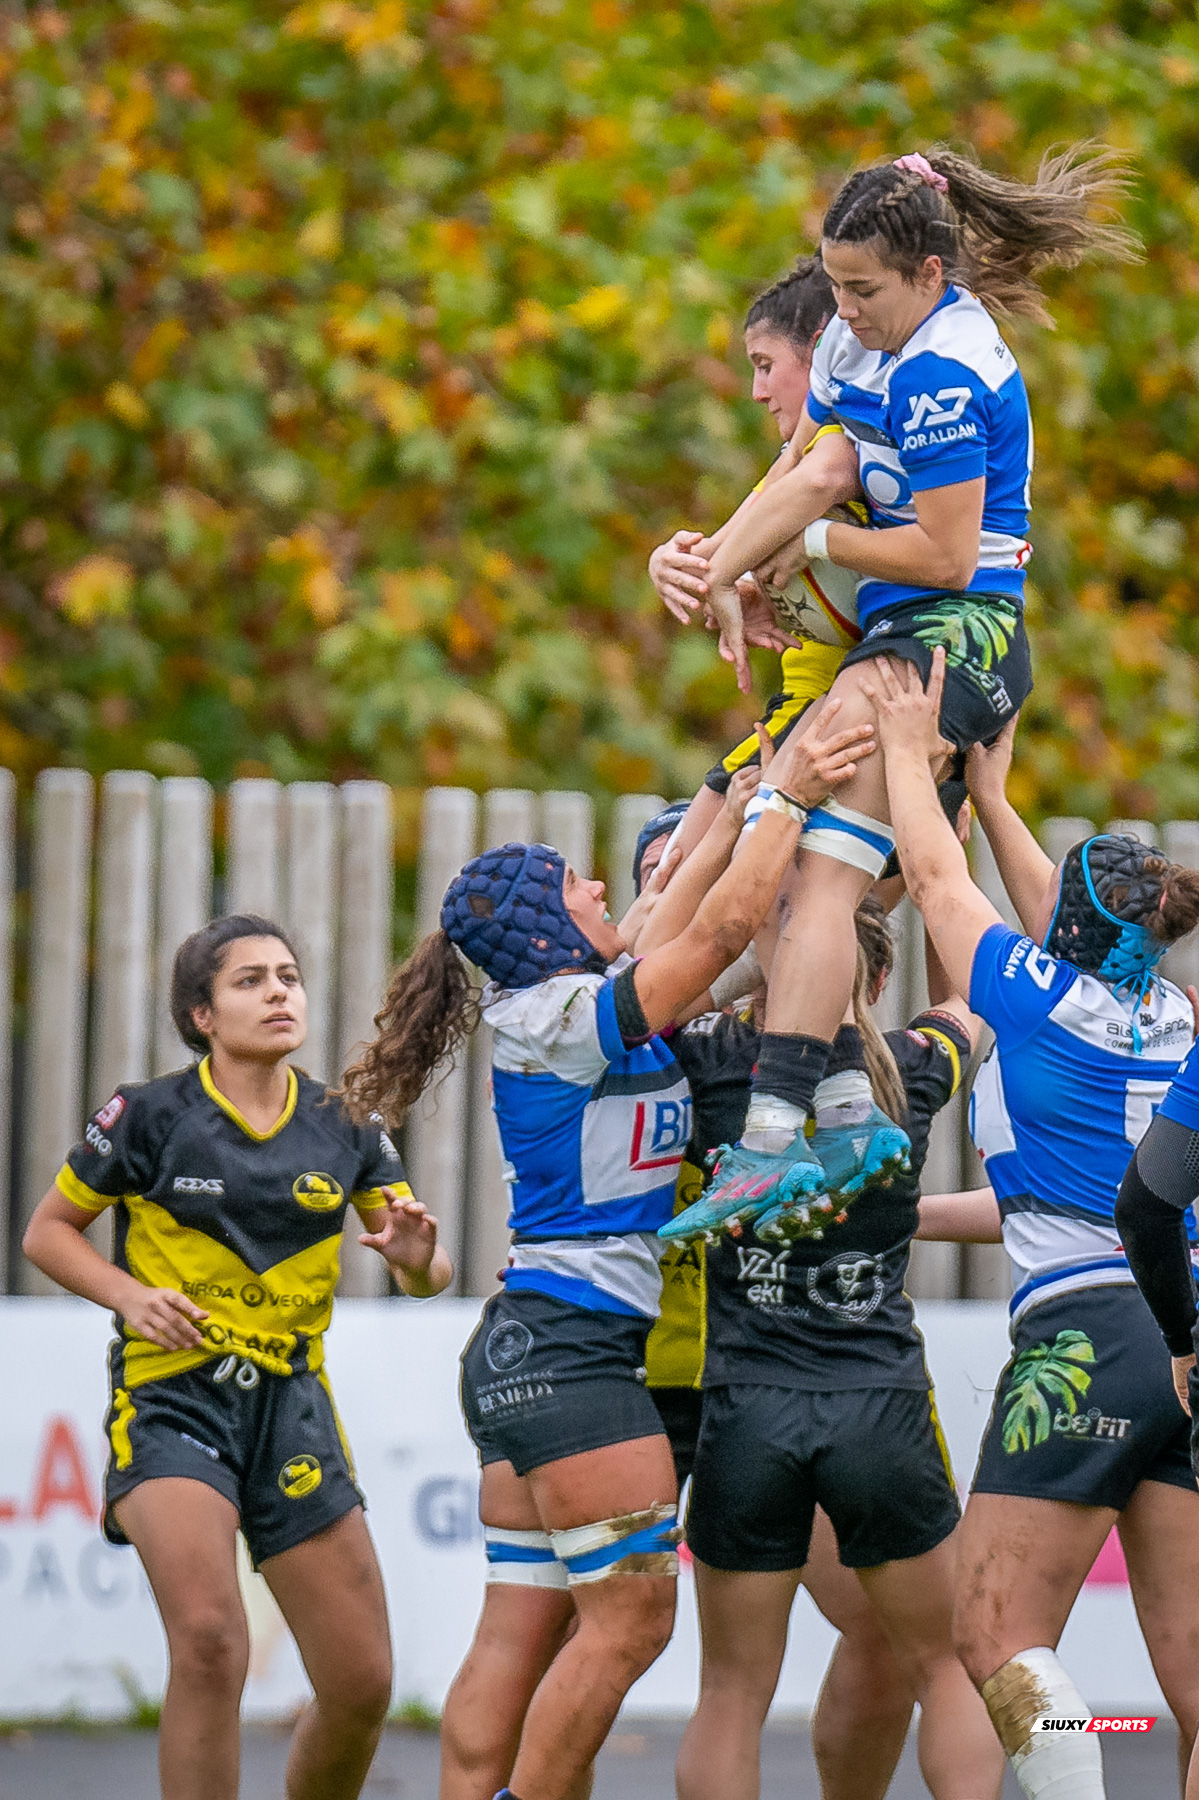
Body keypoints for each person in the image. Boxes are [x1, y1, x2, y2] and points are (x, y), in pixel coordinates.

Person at [337, 707, 875, 1800]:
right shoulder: (563, 1012)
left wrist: (746, 770)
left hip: (537, 1348)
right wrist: (790, 792)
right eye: (581, 885)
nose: (605, 894)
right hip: (567, 1352)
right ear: (545, 925)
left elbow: (688, 915)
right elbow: (716, 927)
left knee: (527, 1631)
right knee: (629, 1622)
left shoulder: (562, 1003)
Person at [692, 145, 1138, 1236]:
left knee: (786, 819)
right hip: (906, 636)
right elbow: (816, 469)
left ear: (930, 278)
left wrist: (810, 550)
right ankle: (837, 1120)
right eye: (833, 285)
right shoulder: (857, 338)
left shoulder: (943, 371)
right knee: (818, 881)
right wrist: (720, 570)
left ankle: (768, 1139)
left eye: (861, 291)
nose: (840, 312)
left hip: (959, 633)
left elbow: (942, 557)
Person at [866, 652, 1199, 1800]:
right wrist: (998, 797)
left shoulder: (1025, 993)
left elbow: (928, 870)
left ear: (1058, 922)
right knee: (1195, 1689)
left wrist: (913, 760)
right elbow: (1056, 913)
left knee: (994, 1636)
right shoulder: (1172, 1013)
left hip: (1084, 1335)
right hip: (1182, 1334)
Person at [22, 914, 452, 1800]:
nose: (278, 992)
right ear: (202, 1015)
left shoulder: (349, 1127)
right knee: (213, 1643)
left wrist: (417, 1262)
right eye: (249, 980)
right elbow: (47, 1234)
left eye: (288, 976)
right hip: (174, 1399)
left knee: (362, 1683)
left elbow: (428, 1271)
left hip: (292, 1408)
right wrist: (131, 1297)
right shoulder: (147, 1114)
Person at [673, 892, 1001, 1800]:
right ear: (877, 976)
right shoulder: (909, 1069)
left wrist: (746, 961)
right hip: (879, 1403)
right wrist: (945, 842)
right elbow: (970, 999)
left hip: (745, 1407)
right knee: (943, 1667)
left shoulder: (708, 1065)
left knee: (731, 1693)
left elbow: (646, 1002)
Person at [635, 823, 918, 1800]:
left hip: (758, 1395)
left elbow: (970, 994)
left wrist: (924, 841)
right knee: (594, 1640)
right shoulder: (688, 1055)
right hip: (662, 1381)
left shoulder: (900, 1073)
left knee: (855, 1641)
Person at [648, 259, 864, 863]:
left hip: (835, 709)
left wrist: (714, 569)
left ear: (822, 354)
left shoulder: (847, 441)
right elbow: (739, 542)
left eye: (766, 366)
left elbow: (818, 484)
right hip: (829, 704)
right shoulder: (800, 456)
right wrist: (676, 563)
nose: (756, 391)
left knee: (677, 874)